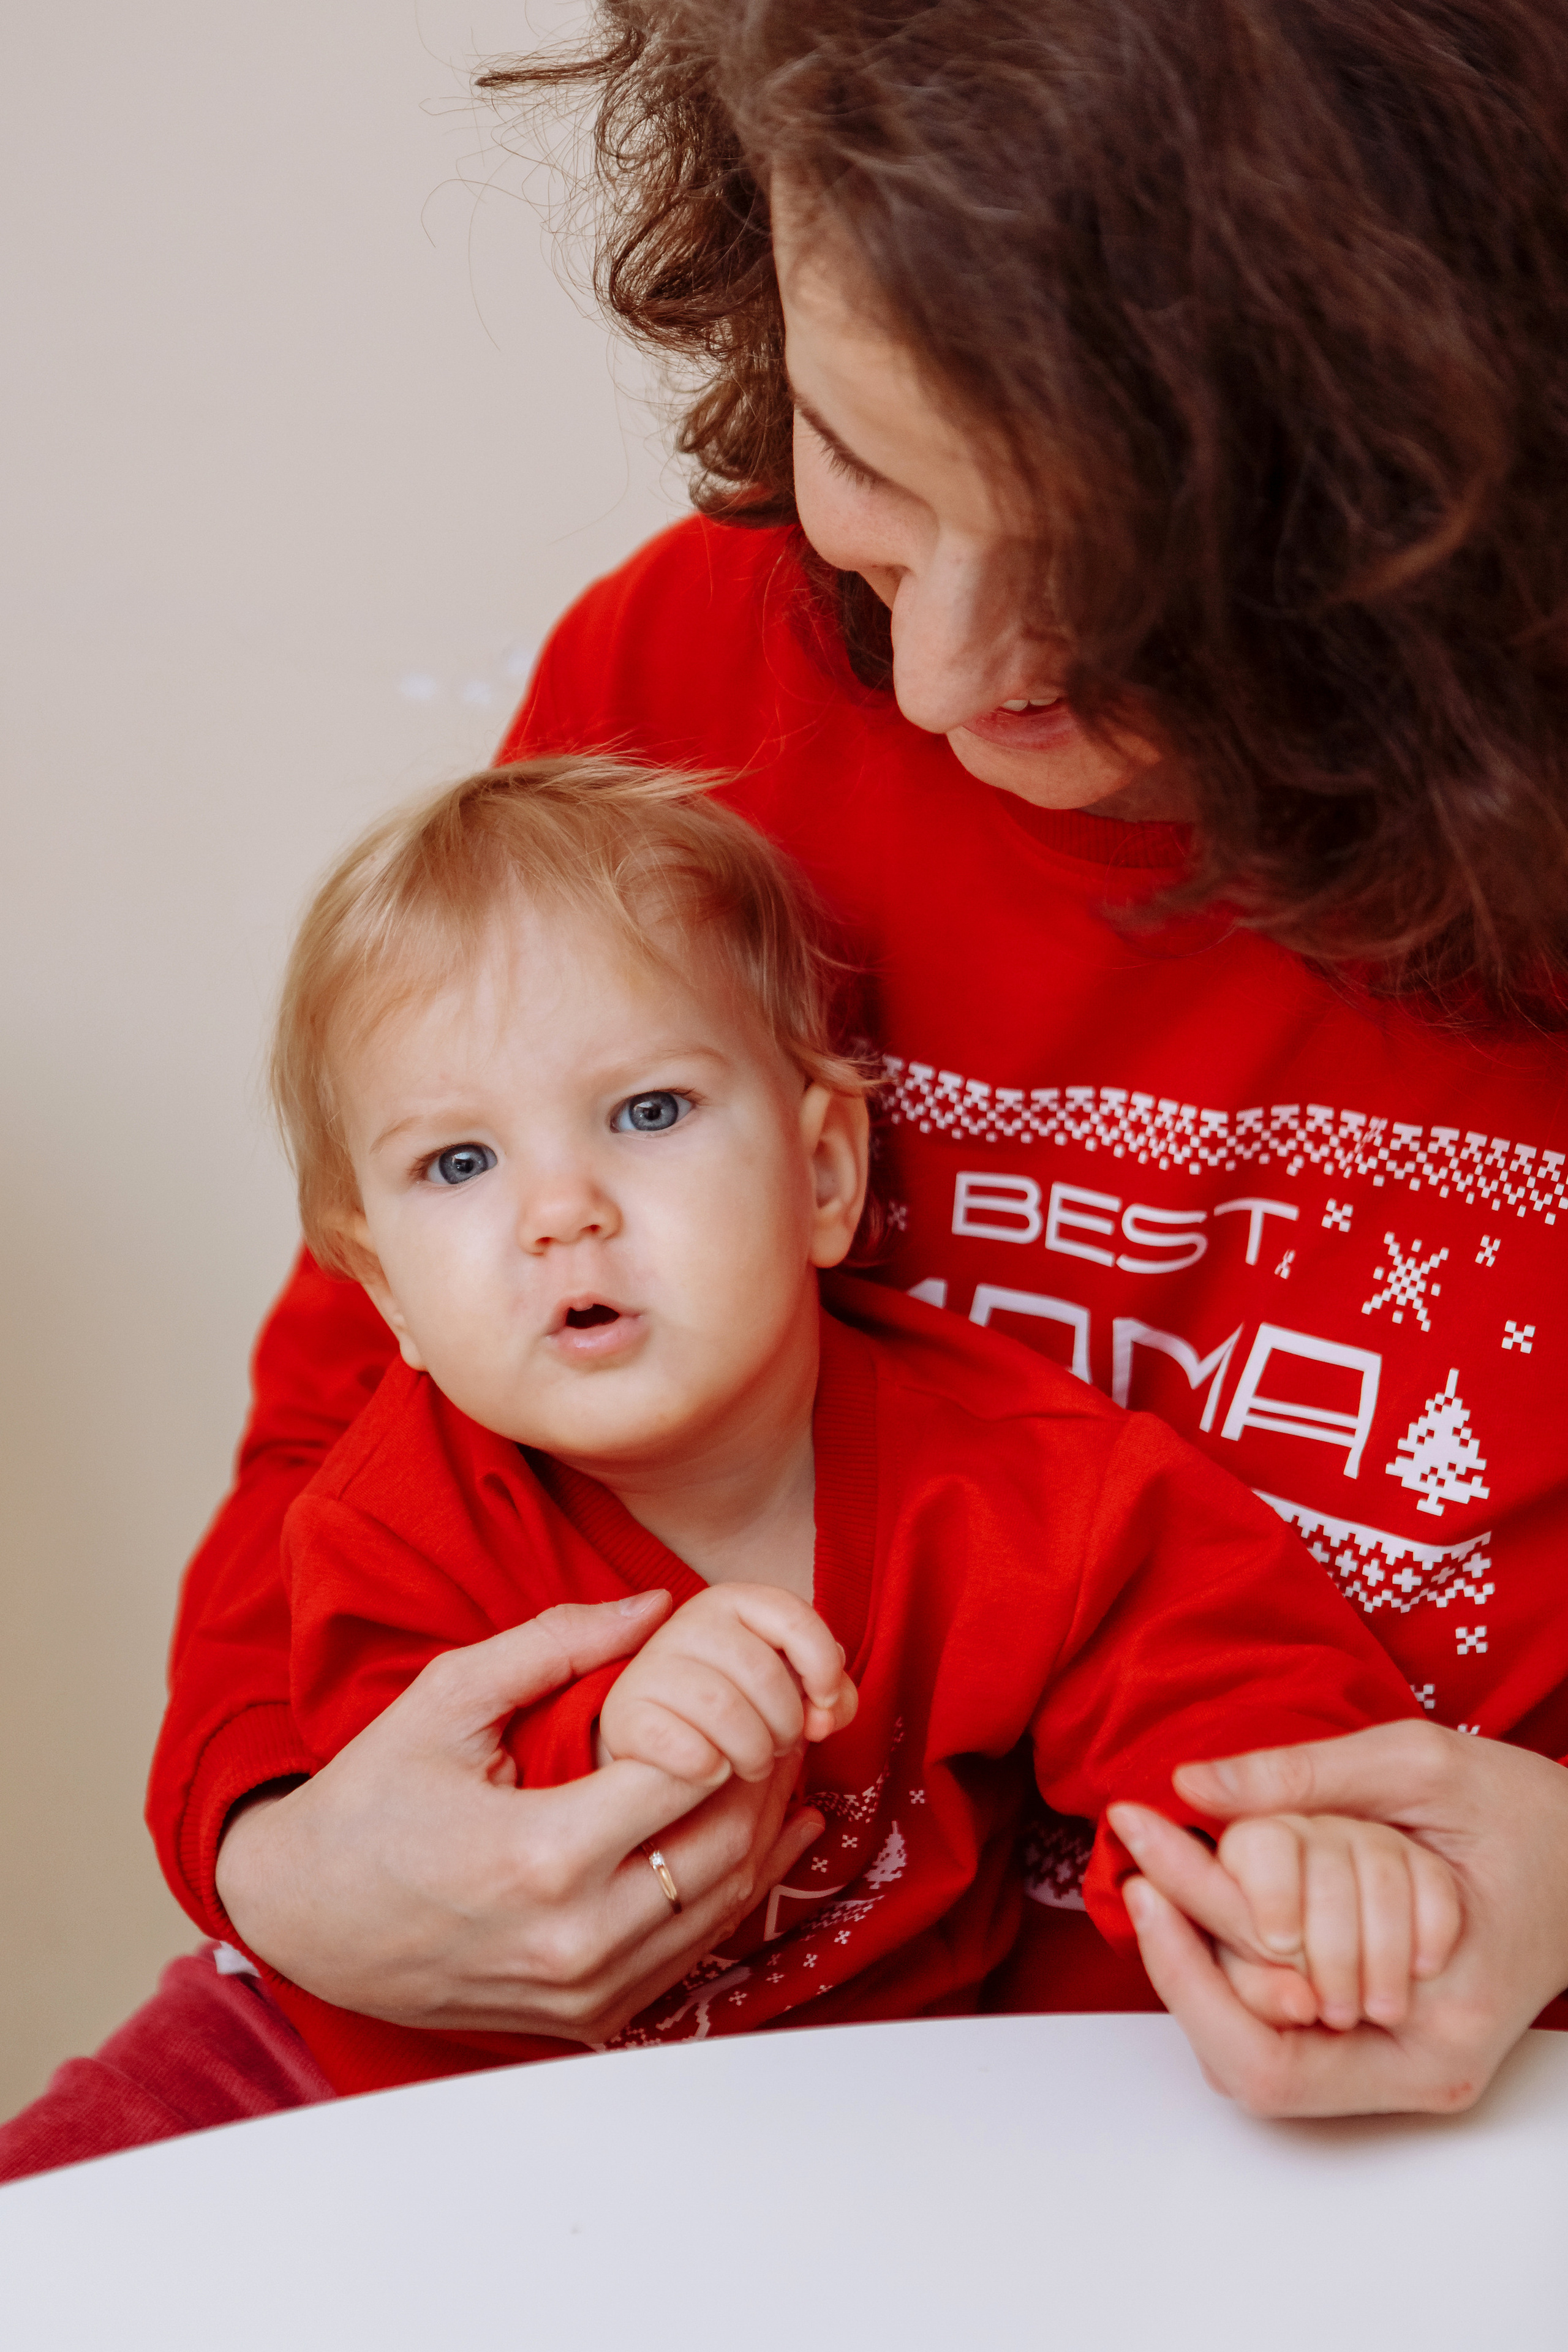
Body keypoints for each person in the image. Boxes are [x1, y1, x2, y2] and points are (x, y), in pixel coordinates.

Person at [13, 0, 1568, 2173]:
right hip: (524, 2101)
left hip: (1274, 2146)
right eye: (874, 469)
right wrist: (289, 1857)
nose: (934, 680)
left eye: (1120, 594)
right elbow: (349, 1430)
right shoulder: (679, 682)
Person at [258, 752, 1457, 2093]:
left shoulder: (1009, 1476)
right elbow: (396, 1793)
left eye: (647, 1111)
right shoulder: (386, 1518)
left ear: (824, 1171)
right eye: (459, 1162)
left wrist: (1293, 1845)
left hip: (870, 2121)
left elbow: (1202, 1665)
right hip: (437, 2126)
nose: (561, 1208)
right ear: (385, 1295)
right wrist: (594, 1732)